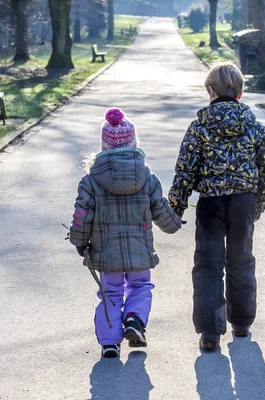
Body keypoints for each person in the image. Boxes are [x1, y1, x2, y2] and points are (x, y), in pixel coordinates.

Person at [168, 61, 265, 350]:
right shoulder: (254, 127)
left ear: (211, 92)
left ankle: (210, 332)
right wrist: (258, 206)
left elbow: (185, 170)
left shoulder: (200, 127)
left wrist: (175, 208)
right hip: (243, 202)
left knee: (208, 264)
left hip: (211, 203)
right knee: (241, 260)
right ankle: (241, 323)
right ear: (240, 93)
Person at [70, 108, 182, 358]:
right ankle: (134, 319)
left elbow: (82, 214)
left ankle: (110, 342)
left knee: (110, 292)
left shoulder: (91, 180)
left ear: (104, 145)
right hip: (139, 249)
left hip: (106, 251)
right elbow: (160, 208)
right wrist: (174, 223)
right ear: (134, 143)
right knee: (140, 285)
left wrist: (79, 240)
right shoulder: (147, 176)